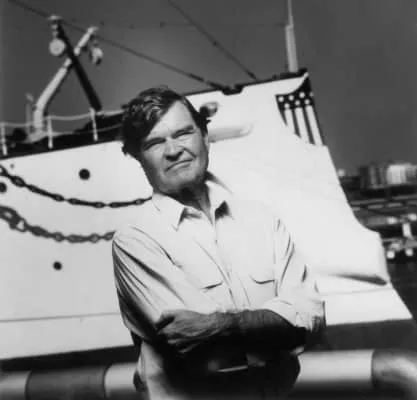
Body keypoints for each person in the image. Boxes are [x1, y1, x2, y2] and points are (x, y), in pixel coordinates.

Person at [112, 86, 325, 399]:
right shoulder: (135, 240)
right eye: (155, 143)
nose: (173, 150)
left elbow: (311, 318)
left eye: (183, 133)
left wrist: (222, 325)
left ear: (205, 137)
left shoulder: (262, 220)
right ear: (138, 157)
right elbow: (201, 351)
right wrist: (275, 323)